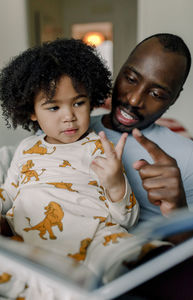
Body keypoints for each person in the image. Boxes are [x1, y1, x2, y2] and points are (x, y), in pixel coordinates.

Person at [0, 38, 141, 299]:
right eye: (53, 107)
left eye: (79, 103)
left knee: (137, 257)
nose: (69, 116)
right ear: (31, 111)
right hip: (35, 243)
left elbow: (127, 220)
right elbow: (8, 194)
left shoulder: (100, 147)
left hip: (98, 235)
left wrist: (115, 182)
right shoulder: (25, 148)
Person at [91, 33, 193, 223]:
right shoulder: (65, 130)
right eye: (131, 79)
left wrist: (178, 210)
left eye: (156, 94)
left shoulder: (191, 157)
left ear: (174, 98)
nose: (134, 99)